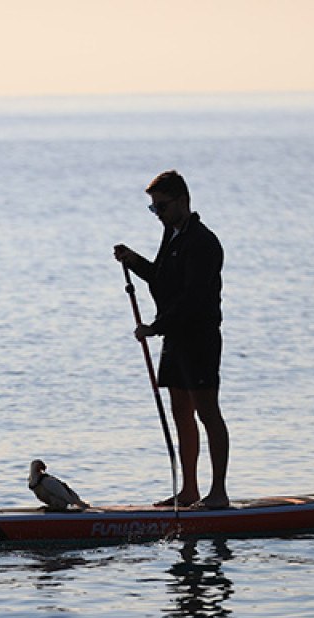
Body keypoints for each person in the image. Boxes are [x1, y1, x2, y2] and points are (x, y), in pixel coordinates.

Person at [113, 170, 230, 509]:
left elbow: (192, 299)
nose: (158, 214)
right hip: (176, 338)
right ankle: (190, 490)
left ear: (182, 201)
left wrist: (154, 326)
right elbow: (162, 282)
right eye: (153, 209)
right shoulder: (172, 235)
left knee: (207, 411)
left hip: (199, 337)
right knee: (181, 412)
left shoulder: (204, 243)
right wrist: (134, 261)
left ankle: (218, 493)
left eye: (161, 207)